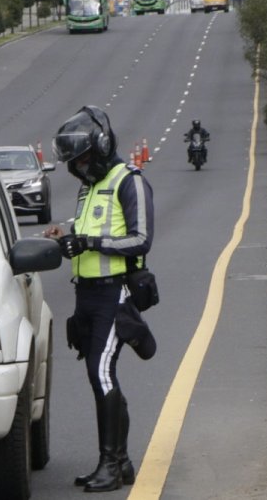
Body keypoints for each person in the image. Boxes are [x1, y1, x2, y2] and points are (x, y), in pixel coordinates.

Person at [43, 105, 155, 492]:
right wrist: (65, 235)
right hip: (86, 296)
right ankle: (120, 463)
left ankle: (111, 463)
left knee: (101, 373)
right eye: (74, 163)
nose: (78, 168)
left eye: (84, 160)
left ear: (102, 147)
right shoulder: (88, 188)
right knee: (99, 374)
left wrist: (89, 242)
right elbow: (85, 228)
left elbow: (141, 239)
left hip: (114, 294)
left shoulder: (131, 180)